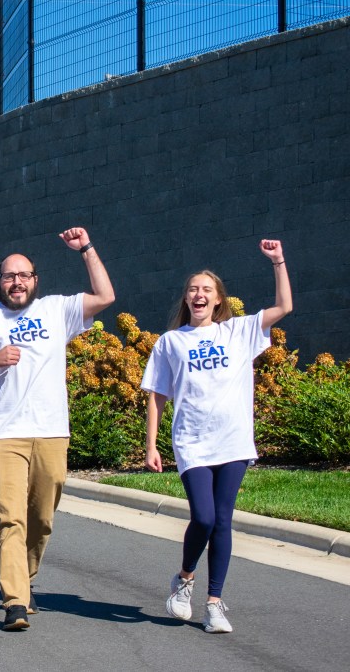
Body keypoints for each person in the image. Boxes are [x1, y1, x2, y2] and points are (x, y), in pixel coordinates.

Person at [0, 227, 115, 631]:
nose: (17, 282)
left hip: (51, 430)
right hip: (2, 433)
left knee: (41, 519)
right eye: (9, 276)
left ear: (35, 280)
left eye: (23, 275)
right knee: (10, 519)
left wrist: (87, 249)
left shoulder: (57, 310)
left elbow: (106, 297)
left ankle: (27, 576)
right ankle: (15, 602)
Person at [142, 240, 291, 634]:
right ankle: (184, 578)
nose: (199, 294)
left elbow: (283, 307)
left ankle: (213, 604)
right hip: (192, 441)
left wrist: (278, 261)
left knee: (223, 520)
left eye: (207, 289)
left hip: (233, 441)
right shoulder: (171, 342)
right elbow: (157, 396)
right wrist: (151, 445)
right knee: (204, 517)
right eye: (193, 289)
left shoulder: (238, 331)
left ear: (218, 299)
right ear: (186, 299)